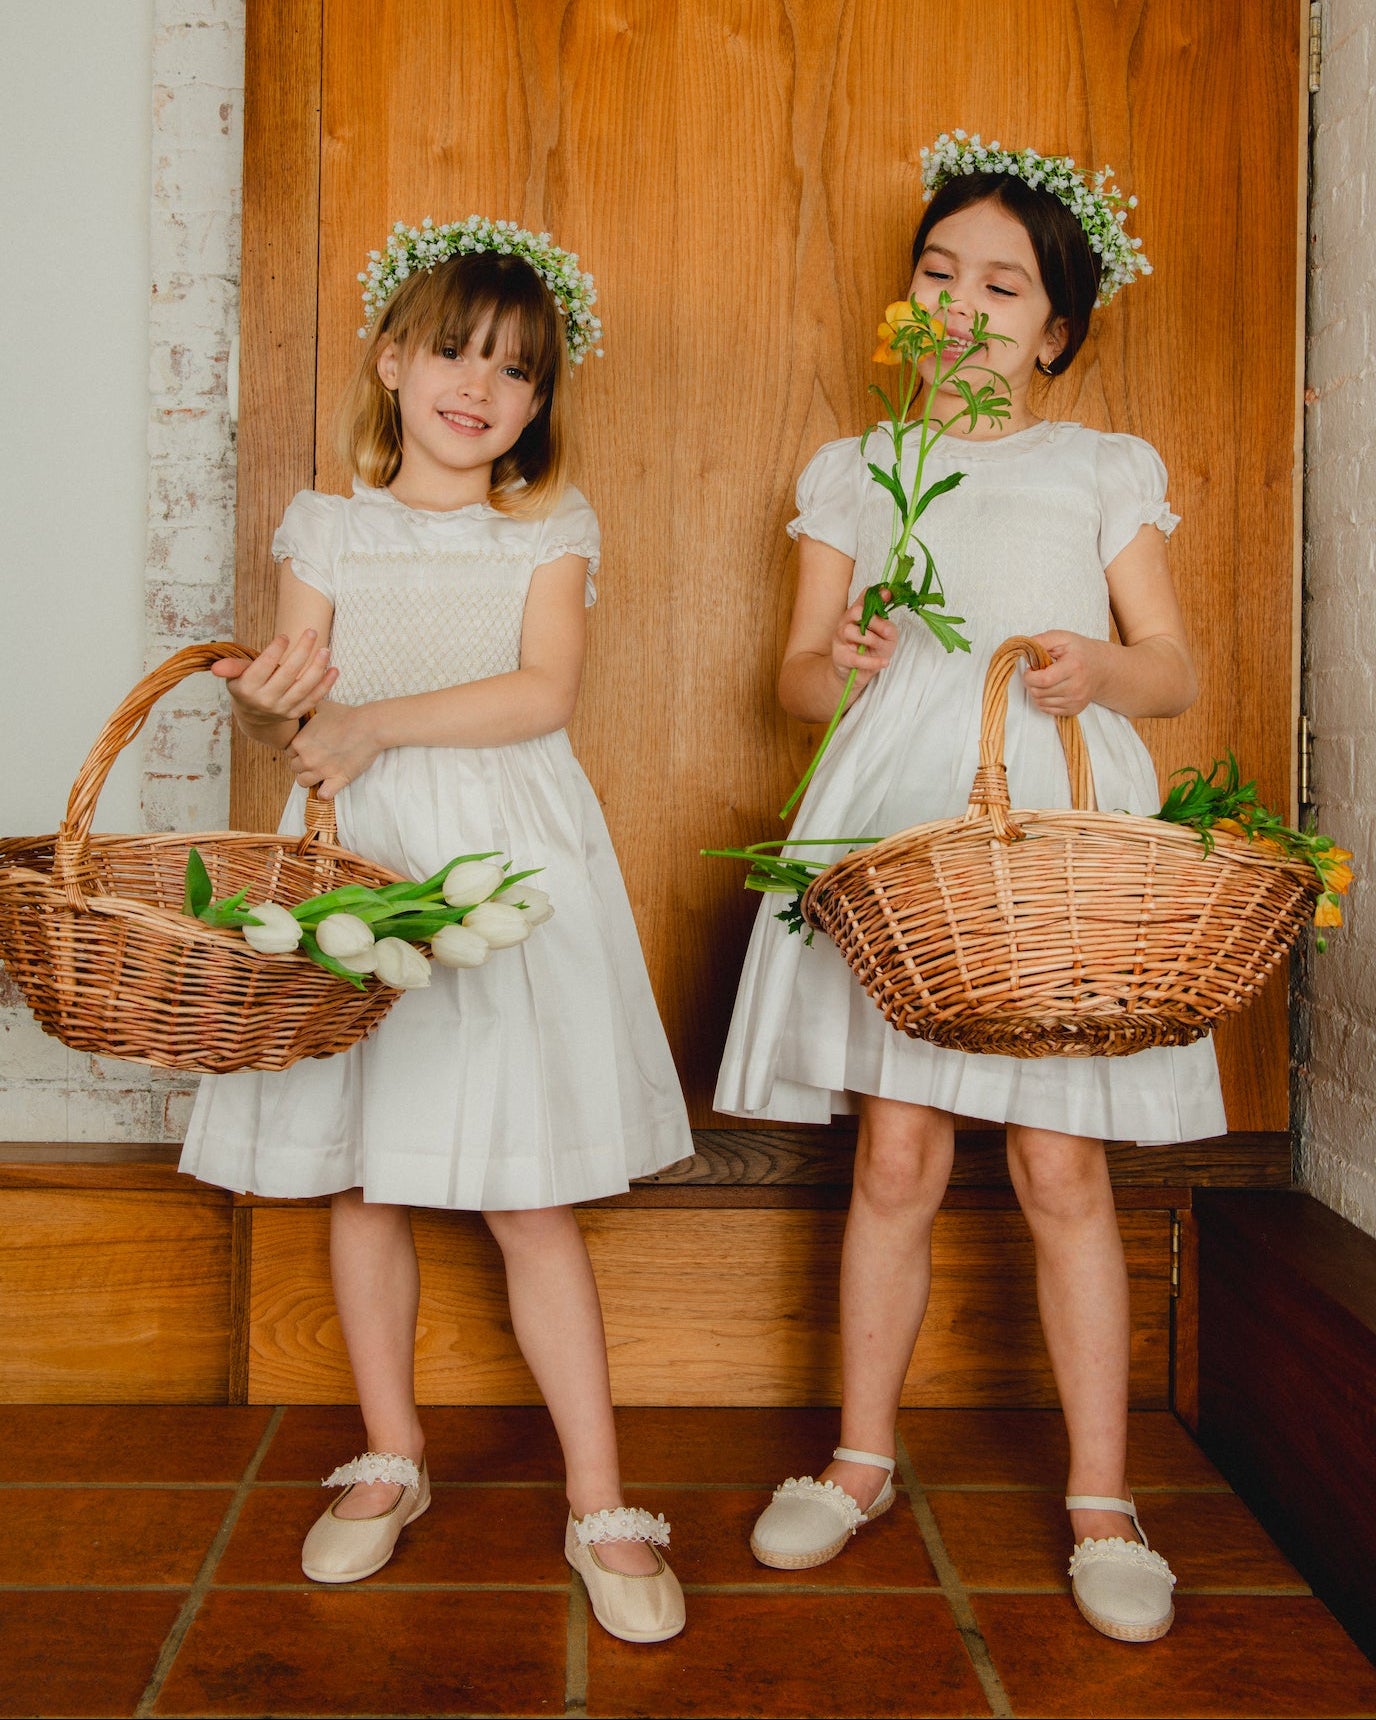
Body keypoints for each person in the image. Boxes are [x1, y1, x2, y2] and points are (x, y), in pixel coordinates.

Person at [715, 135, 1222, 1643]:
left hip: (1049, 811)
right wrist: (847, 658)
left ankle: (1101, 1497)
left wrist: (1099, 669)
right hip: (900, 820)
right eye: (939, 275)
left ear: (1055, 328)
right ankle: (862, 1456)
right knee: (896, 1155)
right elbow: (796, 678)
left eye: (1004, 287)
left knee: (1062, 1166)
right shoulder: (857, 470)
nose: (963, 306)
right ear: (905, 301)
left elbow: (1174, 671)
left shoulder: (1098, 467)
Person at [180, 216, 690, 1644]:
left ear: (538, 405)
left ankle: (600, 1500)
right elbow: (300, 701)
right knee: (369, 1175)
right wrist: (268, 696)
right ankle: (391, 1454)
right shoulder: (328, 525)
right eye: (456, 351)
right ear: (395, 360)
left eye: (516, 371)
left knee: (528, 1193)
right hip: (361, 852)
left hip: (509, 859)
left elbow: (541, 693)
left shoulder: (548, 532)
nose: (480, 386)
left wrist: (368, 721)